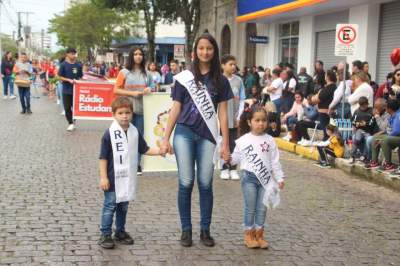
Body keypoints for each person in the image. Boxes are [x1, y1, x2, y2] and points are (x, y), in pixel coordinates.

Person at [160, 33, 233, 247]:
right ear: (195, 51)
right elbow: (176, 108)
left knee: (205, 183)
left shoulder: (221, 80)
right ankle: (186, 230)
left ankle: (205, 230)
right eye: (201, 48)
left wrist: (226, 144)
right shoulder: (184, 77)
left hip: (207, 136)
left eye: (209, 48)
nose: (205, 52)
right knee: (186, 182)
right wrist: (165, 138)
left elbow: (223, 114)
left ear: (214, 51)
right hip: (183, 132)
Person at [98, 96, 164, 249]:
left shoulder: (134, 132)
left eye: (127, 112)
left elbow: (145, 149)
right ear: (113, 114)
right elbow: (102, 158)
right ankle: (105, 234)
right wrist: (103, 177)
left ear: (132, 114)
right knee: (110, 206)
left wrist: (161, 151)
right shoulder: (109, 134)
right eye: (120, 113)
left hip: (127, 179)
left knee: (123, 207)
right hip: (113, 179)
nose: (124, 116)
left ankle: (120, 231)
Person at [230, 104, 285, 249]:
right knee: (250, 208)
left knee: (262, 208)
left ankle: (259, 235)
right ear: (249, 122)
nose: (261, 123)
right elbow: (235, 158)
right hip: (249, 178)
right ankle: (248, 235)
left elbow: (274, 161)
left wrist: (279, 178)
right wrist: (228, 158)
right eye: (257, 120)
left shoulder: (270, 140)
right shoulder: (243, 141)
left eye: (263, 120)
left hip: (265, 180)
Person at [114, 47, 152, 175]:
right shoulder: (124, 72)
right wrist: (132, 93)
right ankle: (124, 162)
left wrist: (149, 90)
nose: (138, 56)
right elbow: (116, 90)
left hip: (142, 110)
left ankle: (136, 165)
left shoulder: (147, 73)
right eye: (135, 54)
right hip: (126, 110)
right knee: (125, 136)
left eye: (140, 54)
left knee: (138, 136)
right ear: (131, 56)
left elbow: (152, 89)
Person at [220, 54, 246, 180]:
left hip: (234, 118)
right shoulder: (218, 80)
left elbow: (242, 99)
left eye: (234, 64)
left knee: (234, 143)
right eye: (230, 64)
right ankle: (224, 167)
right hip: (222, 119)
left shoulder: (239, 81)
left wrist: (239, 115)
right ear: (223, 65)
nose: (233, 67)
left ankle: (233, 168)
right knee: (223, 143)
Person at [366, 99, 400, 172]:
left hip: (397, 137)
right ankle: (374, 161)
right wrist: (382, 133)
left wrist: (386, 136)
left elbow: (396, 131)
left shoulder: (398, 115)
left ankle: (389, 164)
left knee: (384, 140)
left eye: (386, 107)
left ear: (390, 109)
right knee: (375, 138)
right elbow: (388, 129)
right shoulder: (393, 115)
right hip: (394, 136)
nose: (386, 109)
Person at [58, 48, 83, 131]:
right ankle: (70, 122)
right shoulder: (63, 65)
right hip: (66, 89)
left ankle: (73, 122)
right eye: (71, 53)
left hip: (76, 90)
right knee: (67, 107)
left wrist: (79, 80)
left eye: (74, 53)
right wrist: (68, 80)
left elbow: (80, 76)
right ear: (67, 54)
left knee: (75, 107)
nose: (73, 55)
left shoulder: (78, 65)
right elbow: (59, 76)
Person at [350, 97, 378, 163]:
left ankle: (366, 156)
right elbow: (352, 121)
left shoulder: (371, 111)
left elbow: (373, 122)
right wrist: (356, 123)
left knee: (367, 139)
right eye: (362, 106)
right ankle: (353, 155)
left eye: (365, 105)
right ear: (360, 105)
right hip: (359, 130)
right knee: (356, 139)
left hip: (369, 131)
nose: (364, 107)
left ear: (367, 104)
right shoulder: (357, 111)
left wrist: (366, 124)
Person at [364, 98, 390, 166]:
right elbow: (369, 124)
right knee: (366, 137)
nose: (375, 109)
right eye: (374, 107)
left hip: (385, 135)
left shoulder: (387, 114)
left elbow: (384, 128)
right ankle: (369, 158)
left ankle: (372, 159)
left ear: (383, 107)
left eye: (377, 107)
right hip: (374, 133)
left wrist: (377, 117)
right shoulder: (374, 113)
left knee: (370, 139)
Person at [311, 70, 336, 139]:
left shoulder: (329, 88)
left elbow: (317, 98)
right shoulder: (330, 87)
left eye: (325, 75)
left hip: (325, 114)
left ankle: (326, 147)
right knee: (326, 132)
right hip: (325, 113)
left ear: (327, 77)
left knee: (326, 133)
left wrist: (316, 95)